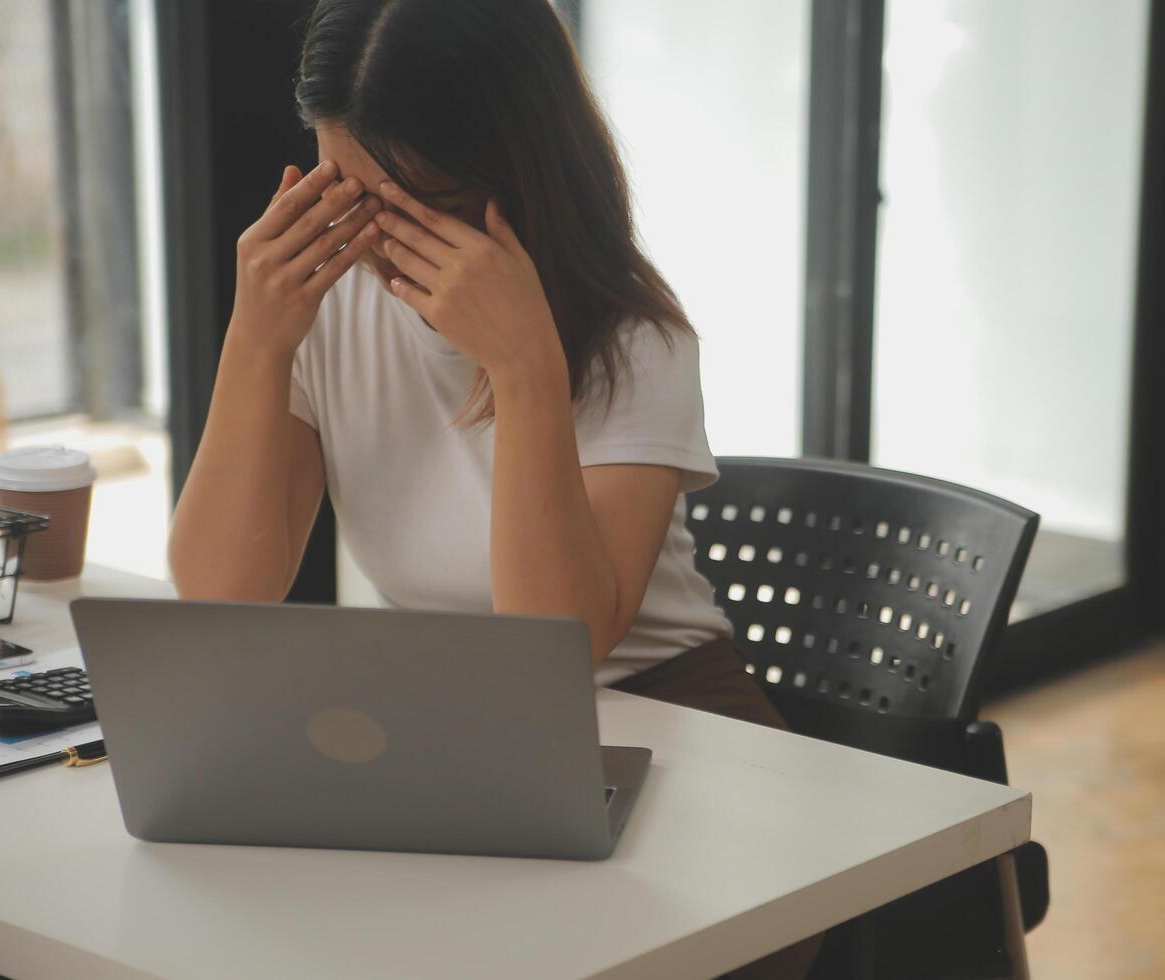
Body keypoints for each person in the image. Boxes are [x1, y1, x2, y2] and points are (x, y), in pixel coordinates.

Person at [167, 2, 819, 975]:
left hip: (670, 723)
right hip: (460, 736)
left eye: (398, 201)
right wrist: (256, 341)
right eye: (338, 187)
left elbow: (555, 642)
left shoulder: (634, 337)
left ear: (503, 179)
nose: (360, 233)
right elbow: (221, 590)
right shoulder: (331, 308)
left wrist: (523, 368)